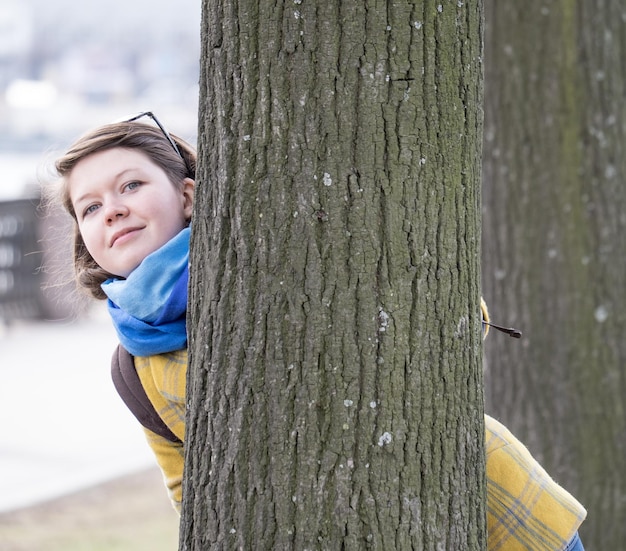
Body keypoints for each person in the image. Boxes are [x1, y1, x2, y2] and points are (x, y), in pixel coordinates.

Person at [53, 113, 586, 550]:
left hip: (493, 508)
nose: (114, 209)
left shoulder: (276, 256)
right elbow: (190, 493)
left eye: (132, 185)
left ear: (188, 196)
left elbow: (464, 321)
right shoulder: (135, 368)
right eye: (91, 207)